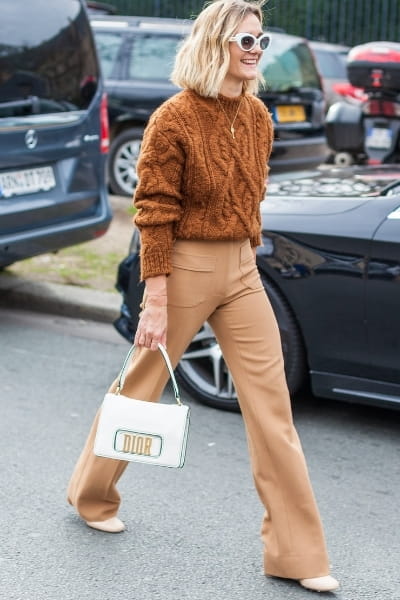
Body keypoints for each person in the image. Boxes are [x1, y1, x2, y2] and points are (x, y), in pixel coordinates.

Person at [67, 0, 339, 593]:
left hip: (244, 270)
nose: (254, 51)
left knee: (273, 411)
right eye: (245, 40)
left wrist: (247, 250)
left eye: (260, 42)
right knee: (141, 384)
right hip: (184, 267)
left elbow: (250, 197)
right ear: (215, 42)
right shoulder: (174, 118)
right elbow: (153, 211)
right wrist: (156, 296)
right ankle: (91, 493)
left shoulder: (261, 116)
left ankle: (297, 554)